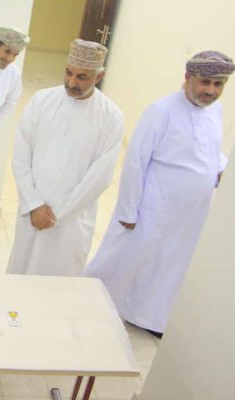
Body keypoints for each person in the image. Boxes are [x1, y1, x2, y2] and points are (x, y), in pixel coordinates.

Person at [84, 51, 234, 338]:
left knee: (170, 266)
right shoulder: (161, 111)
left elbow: (212, 151)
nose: (211, 91)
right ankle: (95, 303)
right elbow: (136, 160)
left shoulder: (216, 111)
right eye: (205, 82)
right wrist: (128, 210)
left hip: (192, 213)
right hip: (155, 207)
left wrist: (220, 168)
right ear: (187, 78)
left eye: (218, 84)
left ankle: (149, 316)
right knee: (130, 261)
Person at [7, 39, 124, 277]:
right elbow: (21, 156)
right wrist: (34, 204)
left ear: (99, 77)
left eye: (82, 77)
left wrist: (57, 214)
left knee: (58, 281)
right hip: (32, 211)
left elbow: (100, 176)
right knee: (21, 274)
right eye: (69, 73)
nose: (72, 83)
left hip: (71, 220)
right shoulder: (41, 101)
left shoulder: (111, 117)